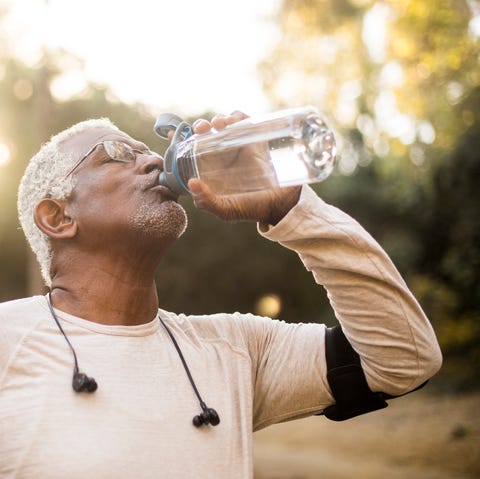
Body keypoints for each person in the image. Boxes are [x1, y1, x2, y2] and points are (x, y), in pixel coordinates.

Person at [1, 111, 442, 478]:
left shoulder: (235, 350)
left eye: (148, 148)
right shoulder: (10, 339)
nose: (155, 160)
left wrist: (289, 210)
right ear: (58, 217)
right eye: (117, 153)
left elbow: (404, 358)